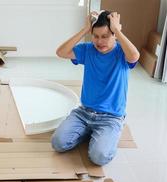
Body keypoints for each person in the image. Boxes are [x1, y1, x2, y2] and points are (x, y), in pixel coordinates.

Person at [51, 10, 140, 166]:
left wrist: (118, 29)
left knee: (98, 157)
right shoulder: (88, 50)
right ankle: (90, 132)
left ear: (114, 35)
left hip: (111, 117)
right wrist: (85, 29)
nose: (100, 42)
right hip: (84, 112)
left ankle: (105, 134)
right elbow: (61, 52)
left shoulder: (121, 53)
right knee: (57, 143)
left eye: (105, 36)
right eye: (96, 36)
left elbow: (134, 56)